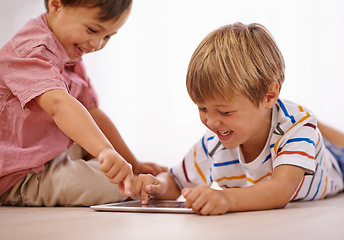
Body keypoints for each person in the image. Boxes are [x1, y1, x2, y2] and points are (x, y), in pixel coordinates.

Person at [130, 22, 344, 215]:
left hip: (334, 164)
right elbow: (175, 180)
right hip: (279, 125)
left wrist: (225, 199)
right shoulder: (214, 142)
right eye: (203, 108)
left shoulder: (297, 130)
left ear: (269, 96)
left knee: (315, 130)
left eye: (224, 112)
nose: (211, 123)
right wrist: (156, 187)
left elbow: (280, 191)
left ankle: (314, 125)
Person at [0, 0, 167, 207]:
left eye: (107, 37)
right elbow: (59, 105)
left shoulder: (69, 56)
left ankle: (117, 172)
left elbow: (93, 114)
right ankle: (124, 182)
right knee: (112, 184)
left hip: (51, 151)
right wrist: (105, 151)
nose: (96, 45)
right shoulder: (30, 51)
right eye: (92, 30)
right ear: (56, 5)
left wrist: (133, 163)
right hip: (21, 174)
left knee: (90, 129)